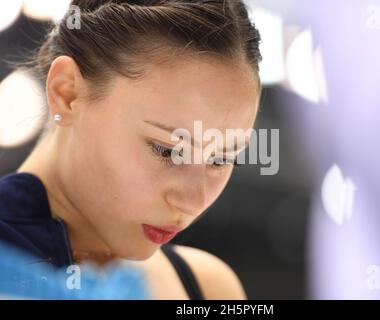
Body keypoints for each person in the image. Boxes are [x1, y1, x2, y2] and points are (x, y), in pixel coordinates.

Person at [0, 0, 262, 300]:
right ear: (67, 92)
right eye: (167, 150)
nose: (192, 202)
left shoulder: (208, 287)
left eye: (221, 159)